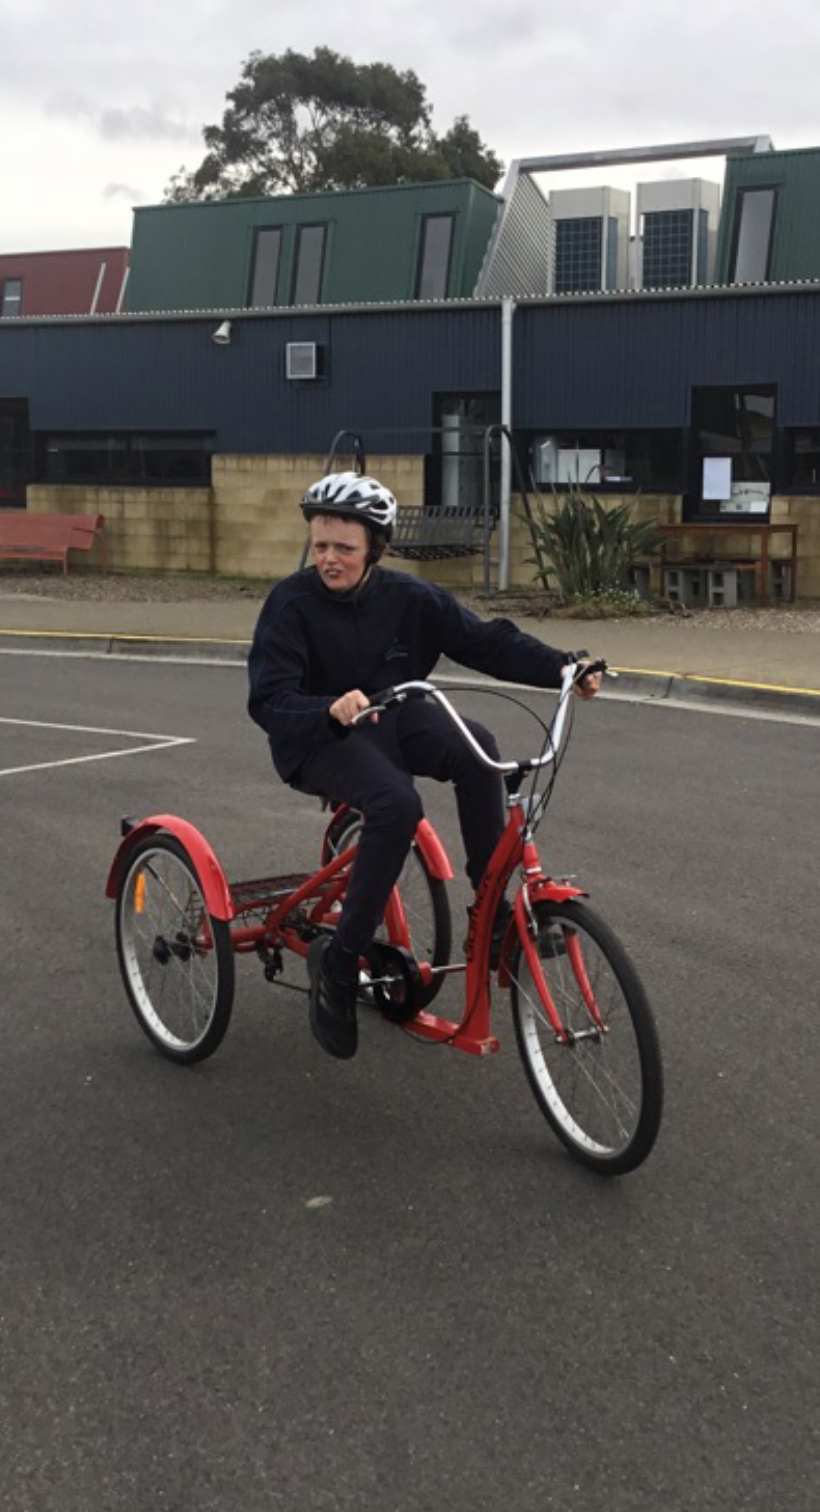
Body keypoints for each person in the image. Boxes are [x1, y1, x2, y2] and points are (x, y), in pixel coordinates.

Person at [248, 471, 601, 1060]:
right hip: (318, 737)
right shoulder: (291, 605)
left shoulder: (409, 599)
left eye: (345, 548)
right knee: (396, 804)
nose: (330, 559)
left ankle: (491, 913)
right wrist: (327, 708)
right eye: (321, 547)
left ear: (376, 549)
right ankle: (339, 961)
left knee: (478, 748)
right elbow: (268, 699)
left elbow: (488, 641)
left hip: (393, 719)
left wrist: (565, 667)